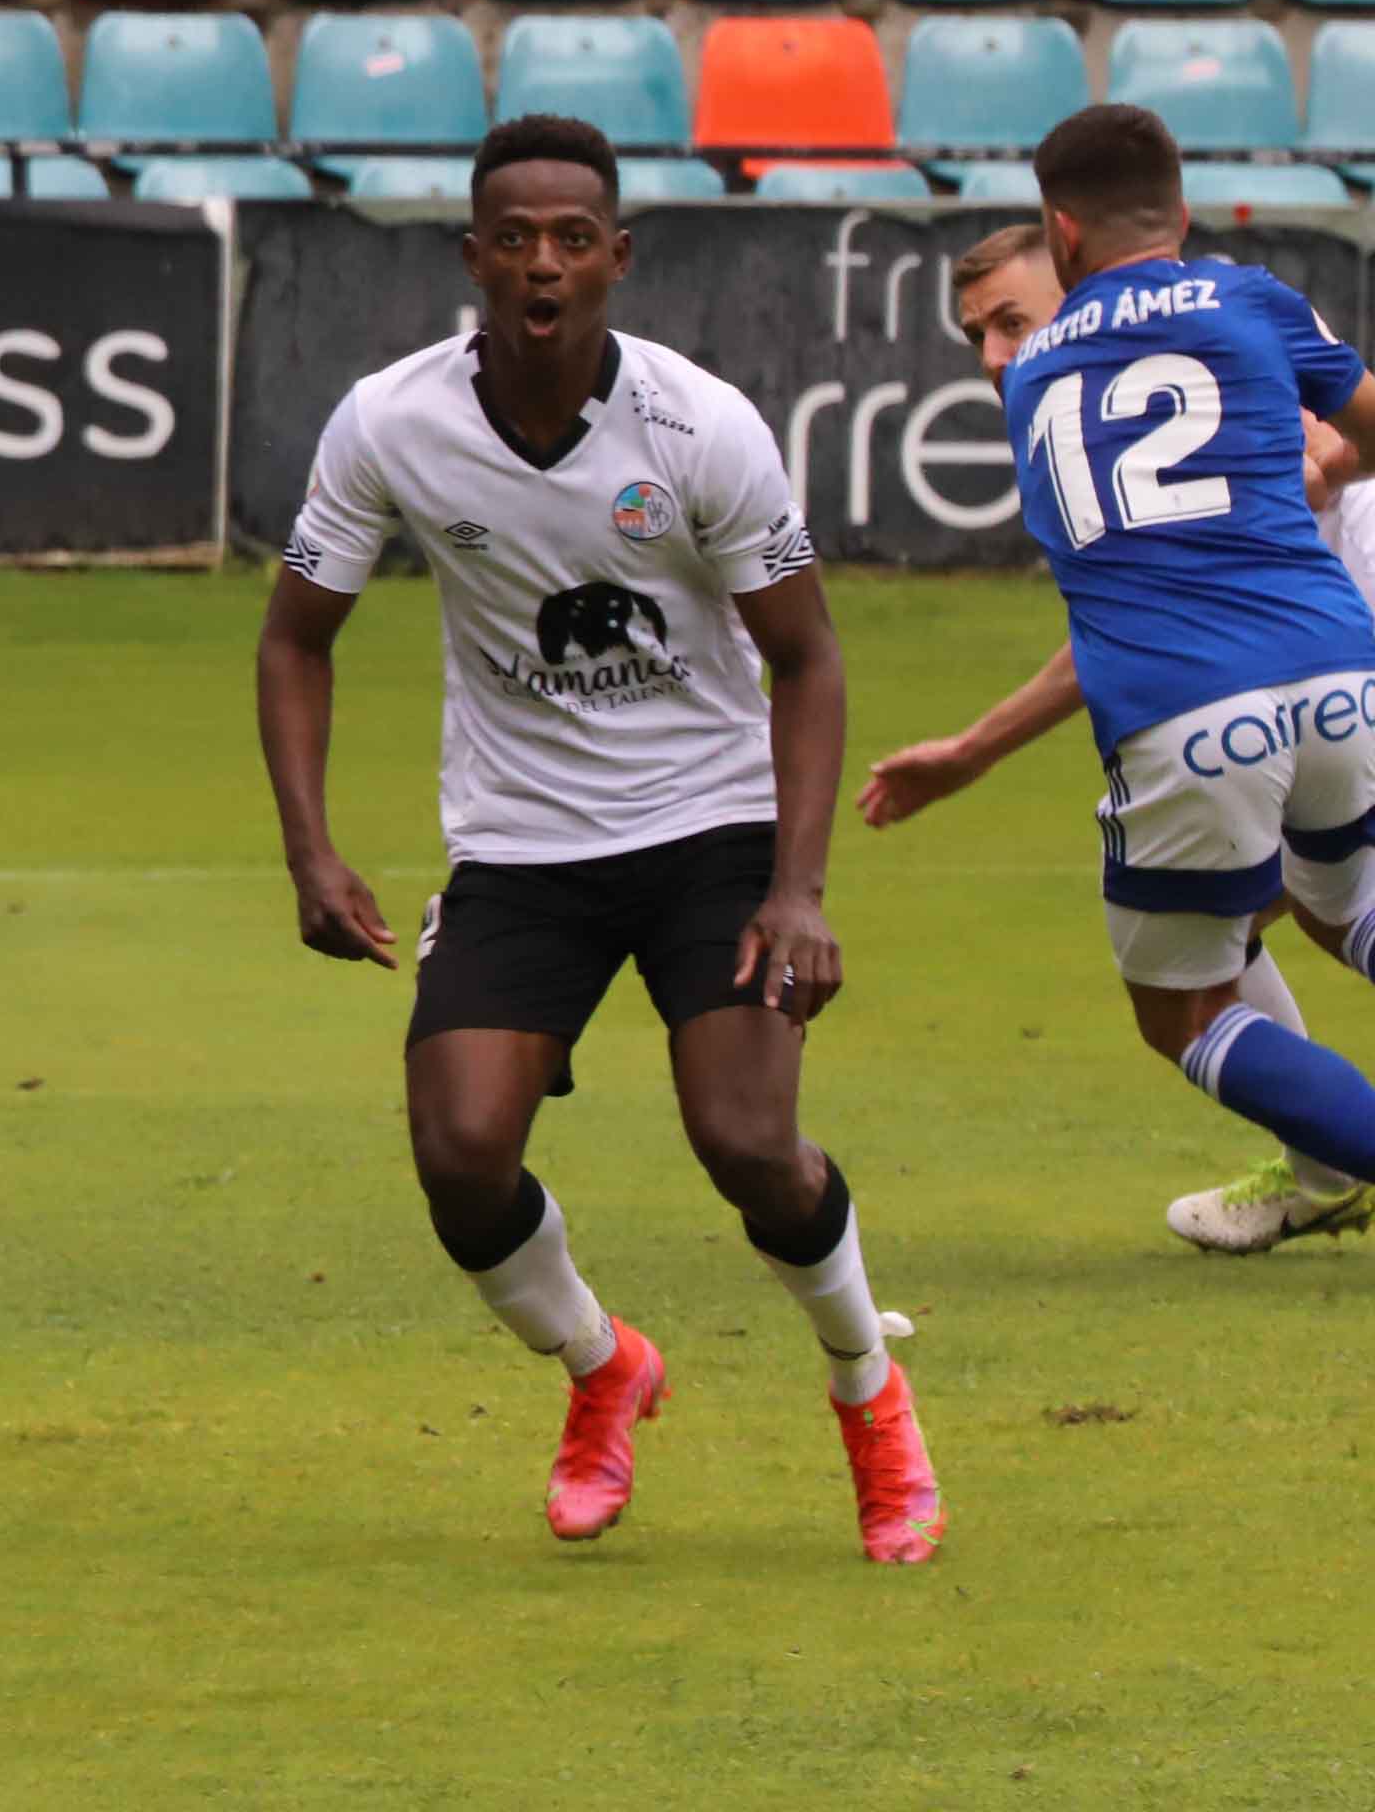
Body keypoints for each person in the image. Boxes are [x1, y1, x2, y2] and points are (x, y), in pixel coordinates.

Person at [256, 114, 943, 1566]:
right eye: (514, 238)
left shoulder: (703, 427)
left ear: (619, 259)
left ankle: (868, 1398)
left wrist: (800, 886)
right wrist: (310, 850)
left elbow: (808, 660)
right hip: (521, 844)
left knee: (750, 1142)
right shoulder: (391, 420)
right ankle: (602, 1366)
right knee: (459, 1155)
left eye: (574, 238)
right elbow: (294, 637)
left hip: (710, 825)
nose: (543, 264)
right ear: (473, 259)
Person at [863, 224, 1375, 1254]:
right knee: (1279, 898)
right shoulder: (1182, 340)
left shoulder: (1162, 353)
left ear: (1076, 267)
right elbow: (1115, 632)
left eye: (1010, 320)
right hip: (1314, 679)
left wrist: (1336, 452)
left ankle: (1328, 1157)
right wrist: (971, 748)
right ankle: (1322, 1163)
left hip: (1324, 644)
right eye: (976, 336)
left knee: (1196, 955)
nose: (995, 355)